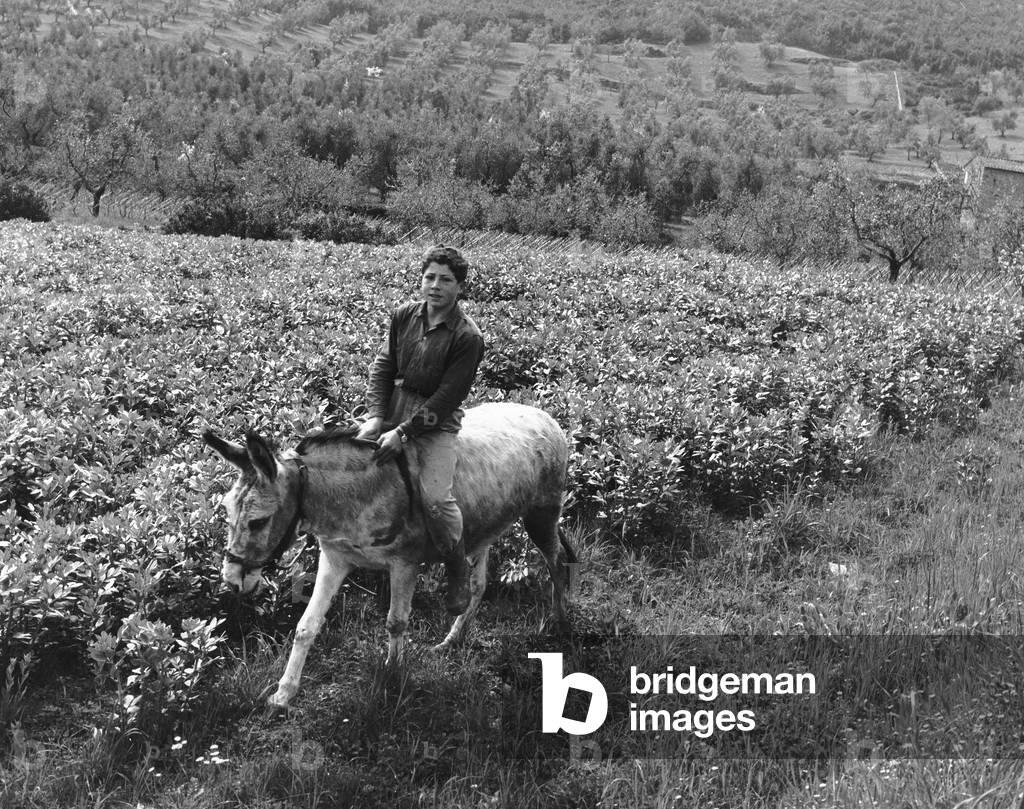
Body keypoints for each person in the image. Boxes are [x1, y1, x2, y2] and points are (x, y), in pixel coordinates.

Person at [356, 246, 485, 615]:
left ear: (459, 286)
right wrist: (376, 416)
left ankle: (457, 565)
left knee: (435, 499)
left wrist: (403, 433)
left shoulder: (467, 337)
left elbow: (447, 398)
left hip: (435, 423)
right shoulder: (403, 316)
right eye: (430, 277)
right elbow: (383, 367)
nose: (435, 285)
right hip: (395, 407)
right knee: (344, 472)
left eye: (445, 280)